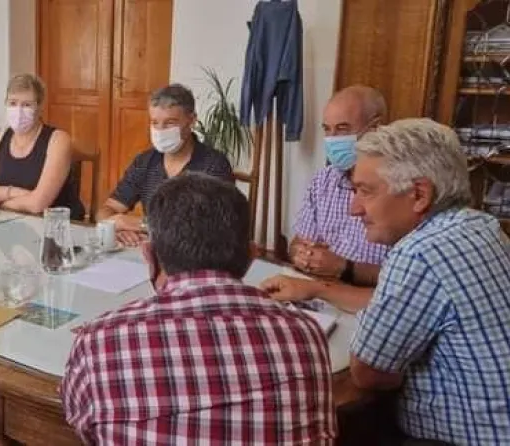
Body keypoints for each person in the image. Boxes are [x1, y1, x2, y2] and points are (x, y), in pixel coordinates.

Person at [62, 173, 336, 445]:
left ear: (150, 255)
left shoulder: (99, 341)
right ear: (251, 257)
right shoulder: (306, 335)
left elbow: (81, 426)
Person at [348, 118, 510, 445]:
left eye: (365, 191)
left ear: (420, 194)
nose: (354, 208)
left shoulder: (418, 252)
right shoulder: (482, 225)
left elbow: (368, 372)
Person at [260, 85, 389, 313]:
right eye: (327, 130)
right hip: (315, 294)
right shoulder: (324, 180)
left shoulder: (397, 188)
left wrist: (344, 267)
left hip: (365, 303)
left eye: (342, 129)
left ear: (375, 128)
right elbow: (297, 243)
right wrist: (303, 255)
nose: (332, 140)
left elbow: (403, 278)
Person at [95, 83, 234, 247]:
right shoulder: (144, 162)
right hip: (150, 252)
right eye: (155, 123)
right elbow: (106, 210)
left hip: (197, 256)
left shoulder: (213, 165)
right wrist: (117, 228)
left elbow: (205, 228)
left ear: (191, 120)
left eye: (170, 123)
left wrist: (141, 225)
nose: (160, 130)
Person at [0, 73, 84, 219]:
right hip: (9, 224)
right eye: (13, 103)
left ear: (40, 107)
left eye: (27, 105)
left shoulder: (58, 140)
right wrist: (14, 192)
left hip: (55, 227)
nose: (19, 111)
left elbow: (37, 204)